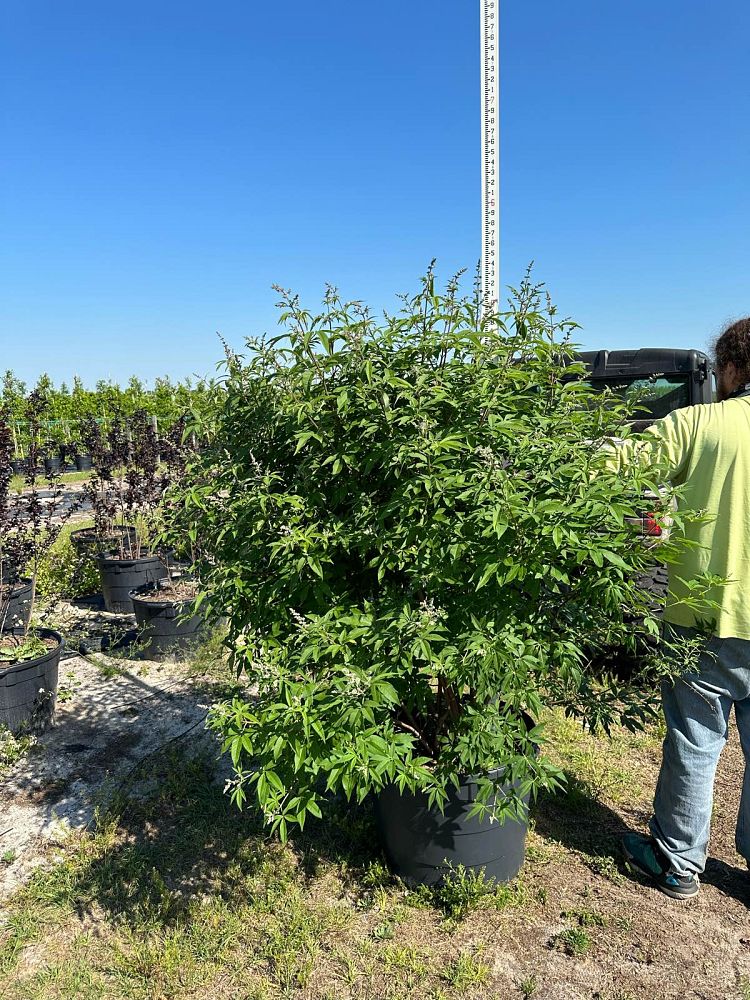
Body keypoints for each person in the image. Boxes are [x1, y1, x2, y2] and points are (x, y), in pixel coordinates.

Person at [603, 317, 750, 899]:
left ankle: (676, 861)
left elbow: (615, 462)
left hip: (708, 615)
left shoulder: (701, 425)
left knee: (696, 737)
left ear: (734, 368)